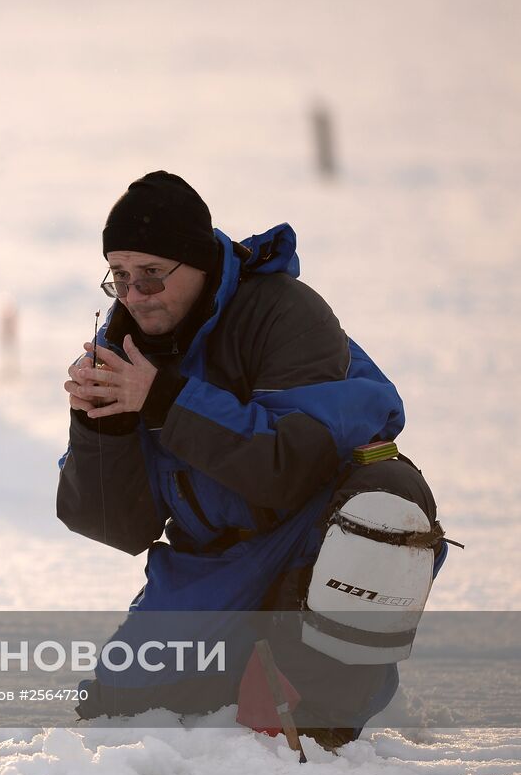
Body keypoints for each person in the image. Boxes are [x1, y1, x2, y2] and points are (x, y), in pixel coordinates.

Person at [56, 171, 447, 746]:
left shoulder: (285, 315)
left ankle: (320, 704)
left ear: (198, 264)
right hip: (214, 561)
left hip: (311, 528)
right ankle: (251, 662)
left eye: (151, 275)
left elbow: (292, 469)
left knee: (386, 500)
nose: (134, 294)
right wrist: (102, 432)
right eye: (119, 276)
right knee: (116, 715)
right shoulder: (125, 348)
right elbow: (119, 528)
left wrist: (164, 399)